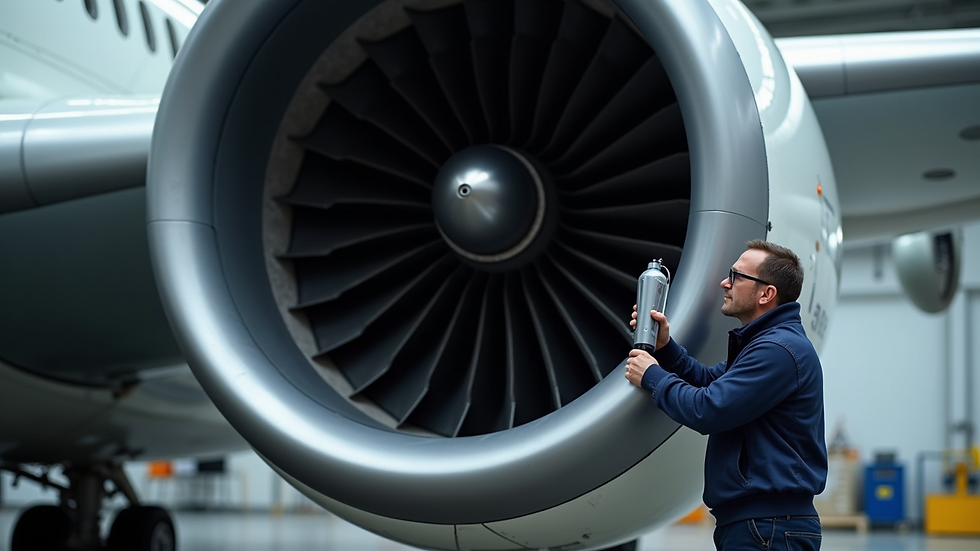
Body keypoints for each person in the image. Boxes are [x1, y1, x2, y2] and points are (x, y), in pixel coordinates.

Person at [625, 239, 827, 551]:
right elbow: (709, 382)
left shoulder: (777, 351)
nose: (725, 282)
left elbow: (709, 409)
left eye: (736, 276)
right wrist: (666, 349)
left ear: (766, 294)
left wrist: (652, 376)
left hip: (767, 528)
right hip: (763, 525)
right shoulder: (767, 345)